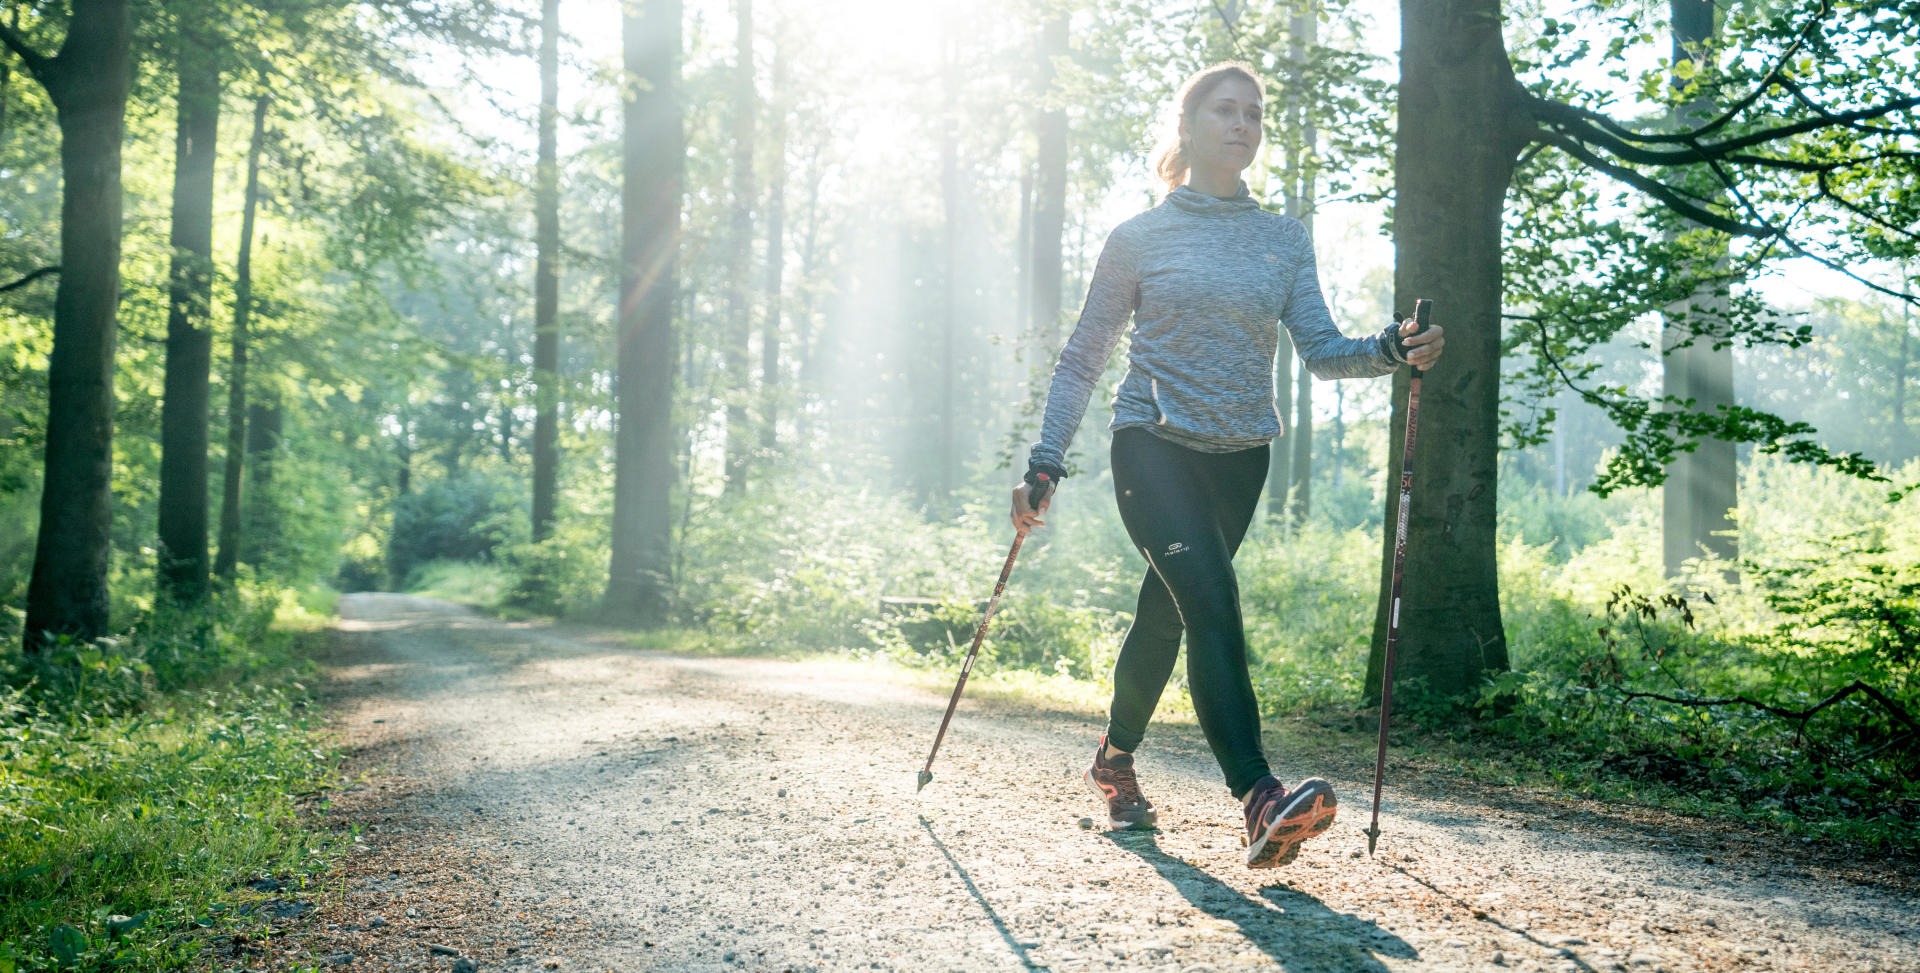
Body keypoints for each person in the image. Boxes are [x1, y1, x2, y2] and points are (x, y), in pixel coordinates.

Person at [1010, 61, 1445, 869]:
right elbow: (1083, 357)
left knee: (1167, 613)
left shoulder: (1283, 239)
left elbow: (1322, 350)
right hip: (1152, 446)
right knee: (1211, 599)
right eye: (1225, 110)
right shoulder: (1139, 238)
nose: (1243, 123)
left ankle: (1113, 759)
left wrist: (1391, 348)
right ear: (1188, 125)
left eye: (1254, 113)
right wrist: (1046, 462)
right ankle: (1259, 796)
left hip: (1240, 459)